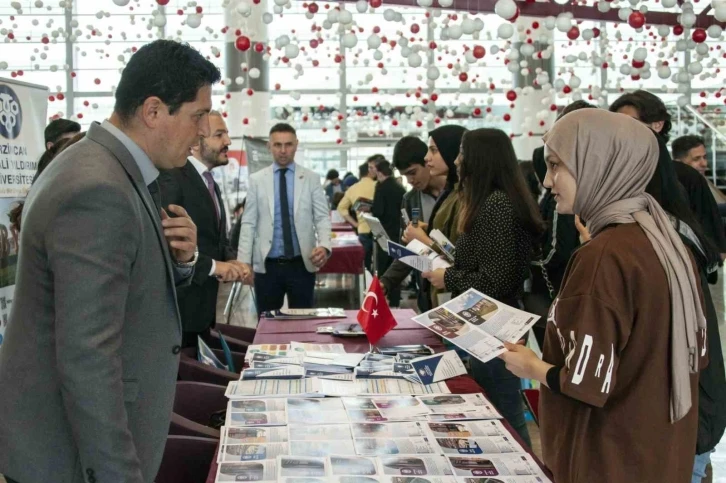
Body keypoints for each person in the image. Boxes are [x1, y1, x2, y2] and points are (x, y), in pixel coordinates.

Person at [0, 39, 216, 483]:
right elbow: (87, 358)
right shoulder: (98, 189)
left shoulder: (110, 169)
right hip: (72, 457)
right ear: (154, 110)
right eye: (197, 116)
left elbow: (126, 294)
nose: (202, 132)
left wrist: (179, 263)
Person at [500, 109, 707, 483]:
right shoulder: (664, 242)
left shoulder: (605, 256)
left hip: (607, 453)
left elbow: (586, 381)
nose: (548, 181)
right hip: (658, 449)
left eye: (557, 165)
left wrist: (531, 366)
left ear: (598, 164)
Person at [422, 128, 544, 446]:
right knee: (497, 404)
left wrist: (446, 277)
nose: (458, 161)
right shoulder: (493, 202)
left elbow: (495, 280)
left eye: (463, 153)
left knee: (504, 410)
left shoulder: (496, 207)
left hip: (495, 323)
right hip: (487, 321)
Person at [158, 110, 246, 348]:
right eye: (219, 135)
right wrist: (217, 266)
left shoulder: (209, 181)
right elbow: (169, 246)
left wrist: (232, 261)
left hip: (204, 312)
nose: (228, 141)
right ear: (197, 141)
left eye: (226, 133)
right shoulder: (173, 179)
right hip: (181, 314)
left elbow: (213, 239)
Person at [610, 91, 726, 259]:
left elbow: (715, 244)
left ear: (658, 125)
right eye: (616, 124)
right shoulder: (614, 174)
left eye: (631, 122)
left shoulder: (686, 177)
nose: (621, 130)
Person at [238, 123, 332, 313]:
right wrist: (243, 262)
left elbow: (322, 217)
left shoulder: (311, 178)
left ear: (296, 144)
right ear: (269, 146)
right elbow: (248, 223)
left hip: (302, 264)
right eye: (277, 145)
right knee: (266, 324)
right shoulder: (257, 180)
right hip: (267, 267)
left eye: (288, 144)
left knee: (303, 322)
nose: (283, 151)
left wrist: (324, 245)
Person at [526, 100, 593, 347]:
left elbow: (557, 250)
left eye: (554, 165)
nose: (546, 181)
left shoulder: (570, 199)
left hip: (564, 298)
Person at [402, 125, 466, 309]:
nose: (427, 157)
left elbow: (460, 256)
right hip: (441, 292)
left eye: (434, 150)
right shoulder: (453, 191)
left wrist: (425, 240)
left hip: (459, 296)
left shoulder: (465, 197)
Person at [380, 136, 446, 310]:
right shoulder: (410, 201)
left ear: (427, 162)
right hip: (427, 293)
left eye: (412, 172)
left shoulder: (457, 195)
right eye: (404, 175)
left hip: (458, 286)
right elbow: (409, 250)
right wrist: (385, 282)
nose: (410, 180)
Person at [371, 159, 406, 306]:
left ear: (379, 172)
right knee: (397, 267)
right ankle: (395, 300)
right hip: (399, 233)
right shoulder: (400, 188)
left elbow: (378, 210)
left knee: (385, 269)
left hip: (383, 233)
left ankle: (383, 301)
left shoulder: (380, 187)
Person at [337, 161, 377, 271]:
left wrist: (355, 224)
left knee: (365, 265)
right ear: (370, 171)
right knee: (381, 264)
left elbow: (341, 208)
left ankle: (366, 285)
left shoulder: (353, 188)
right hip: (379, 230)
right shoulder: (378, 185)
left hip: (363, 229)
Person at [673, 134, 726, 204]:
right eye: (696, 159)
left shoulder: (703, 180)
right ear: (678, 163)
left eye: (704, 157)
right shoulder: (676, 190)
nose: (704, 164)